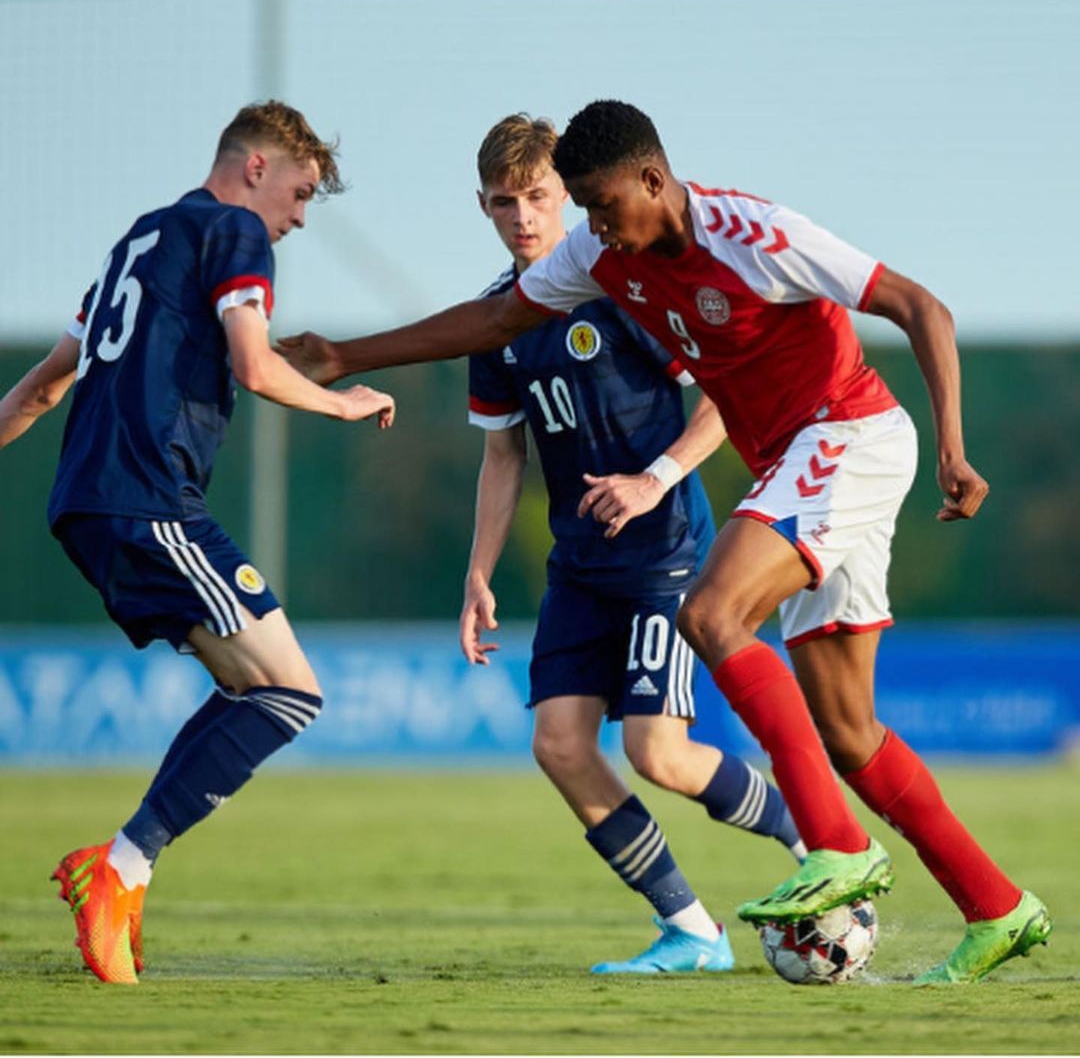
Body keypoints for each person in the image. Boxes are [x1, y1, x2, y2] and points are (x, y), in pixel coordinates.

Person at [279, 99, 1052, 985]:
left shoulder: (755, 233)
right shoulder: (602, 254)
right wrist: (348, 355)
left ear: (654, 179)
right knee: (851, 733)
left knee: (713, 612)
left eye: (603, 207)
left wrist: (954, 445)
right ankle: (997, 905)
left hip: (849, 434)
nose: (595, 230)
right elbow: (493, 325)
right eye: (583, 210)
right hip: (794, 466)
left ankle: (832, 846)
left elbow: (922, 306)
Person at [0, 101, 395, 985]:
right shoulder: (232, 232)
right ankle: (119, 870)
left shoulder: (136, 241)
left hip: (85, 506)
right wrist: (346, 400)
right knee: (292, 691)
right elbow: (254, 365)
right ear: (255, 168)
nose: (297, 218)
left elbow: (40, 387)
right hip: (149, 502)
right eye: (298, 194)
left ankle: (122, 877)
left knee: (251, 687)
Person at [461, 114, 806, 974]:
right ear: (484, 207)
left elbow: (723, 395)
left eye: (538, 198)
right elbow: (504, 453)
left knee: (659, 752)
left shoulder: (626, 290)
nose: (523, 217)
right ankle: (693, 929)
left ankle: (816, 842)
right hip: (579, 566)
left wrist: (655, 476)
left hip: (663, 558)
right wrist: (477, 574)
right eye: (504, 203)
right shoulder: (494, 320)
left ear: (568, 197)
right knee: (560, 746)